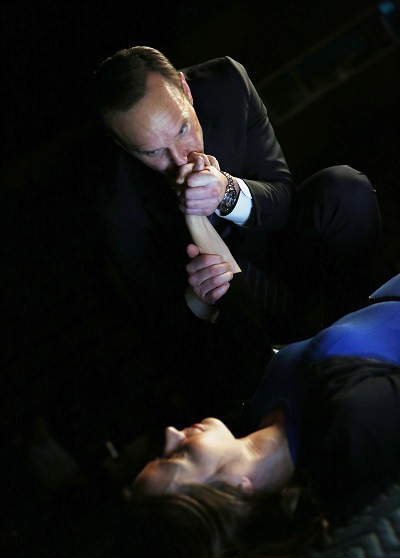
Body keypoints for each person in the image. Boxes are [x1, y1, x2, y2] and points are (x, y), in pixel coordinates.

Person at [117, 259, 400, 558]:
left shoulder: (250, 413)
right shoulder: (352, 427)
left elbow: (232, 289)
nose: (170, 433)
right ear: (234, 493)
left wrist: (212, 257)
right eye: (176, 457)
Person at [92, 45, 381, 354]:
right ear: (124, 146)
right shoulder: (111, 198)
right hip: (233, 322)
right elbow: (159, 317)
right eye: (153, 152)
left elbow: (283, 198)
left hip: (291, 257)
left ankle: (365, 341)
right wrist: (198, 300)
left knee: (344, 190)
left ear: (185, 90)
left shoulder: (225, 84)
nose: (180, 159)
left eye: (183, 129)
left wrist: (227, 193)